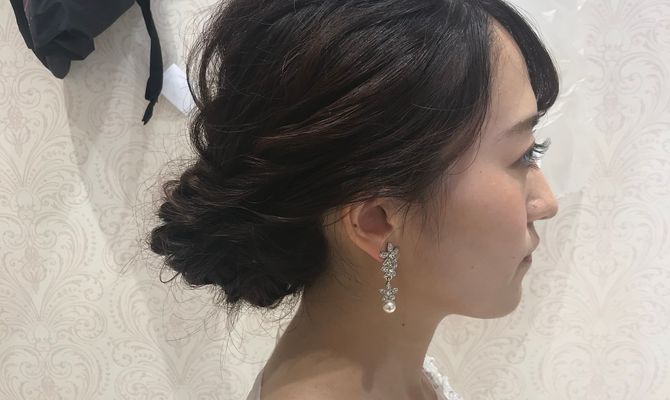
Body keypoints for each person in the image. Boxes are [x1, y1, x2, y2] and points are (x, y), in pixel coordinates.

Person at [148, 0, 560, 398]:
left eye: (534, 150)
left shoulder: (392, 373)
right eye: (523, 155)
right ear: (377, 221)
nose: (546, 202)